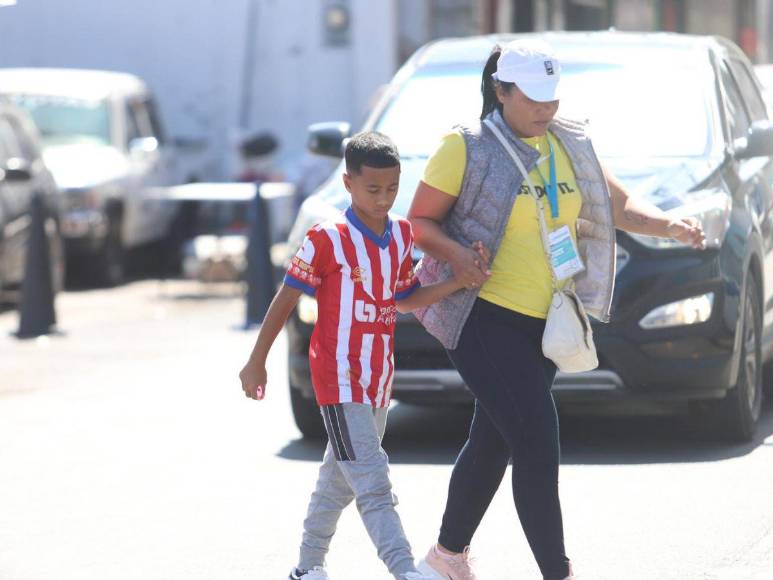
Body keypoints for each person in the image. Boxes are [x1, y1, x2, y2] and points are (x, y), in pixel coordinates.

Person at [408, 39, 706, 580]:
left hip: (546, 320)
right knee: (536, 434)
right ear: (501, 92)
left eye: (552, 97)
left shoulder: (571, 141)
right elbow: (419, 224)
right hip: (480, 314)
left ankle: (445, 559)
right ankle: (557, 572)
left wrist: (669, 225)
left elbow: (615, 205)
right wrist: (457, 256)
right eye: (533, 98)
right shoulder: (467, 146)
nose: (546, 108)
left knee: (494, 435)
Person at [238, 131, 490, 580]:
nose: (383, 198)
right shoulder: (326, 238)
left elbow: (406, 298)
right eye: (373, 189)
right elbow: (285, 299)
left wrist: (456, 281)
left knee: (339, 479)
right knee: (373, 483)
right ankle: (403, 570)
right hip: (338, 378)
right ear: (348, 182)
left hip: (378, 376)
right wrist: (257, 358)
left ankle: (307, 567)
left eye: (392, 189)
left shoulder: (400, 236)